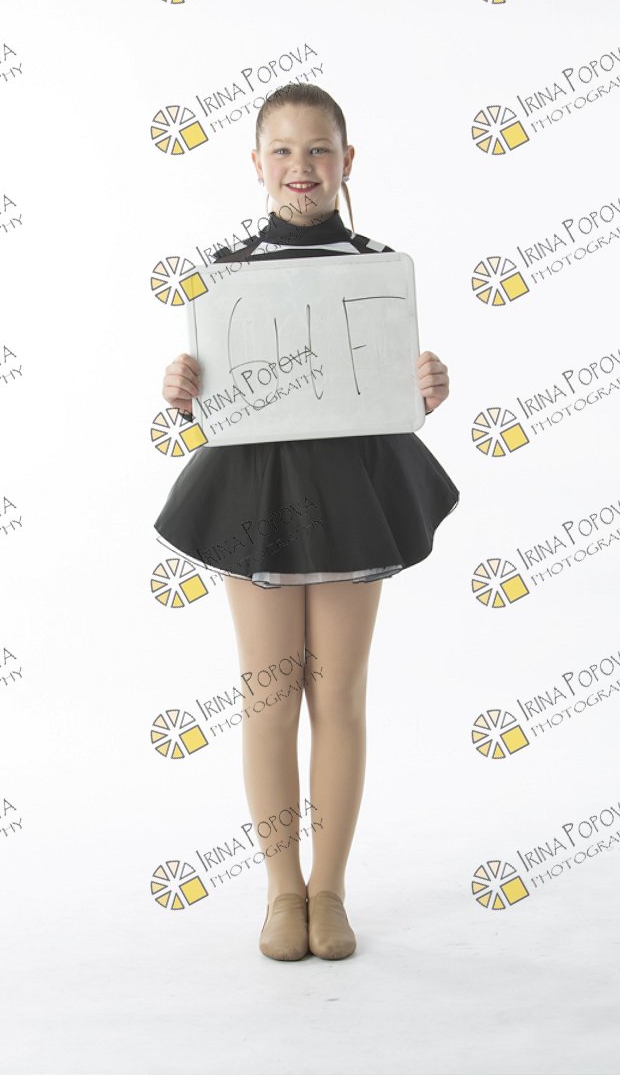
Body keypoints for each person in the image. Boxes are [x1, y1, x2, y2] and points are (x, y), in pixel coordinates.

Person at [154, 82, 460, 961]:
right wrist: (183, 388)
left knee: (339, 694)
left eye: (319, 149)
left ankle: (329, 890)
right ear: (257, 164)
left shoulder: (379, 268)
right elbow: (216, 394)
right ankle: (281, 891)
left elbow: (385, 386)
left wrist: (426, 386)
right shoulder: (225, 272)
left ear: (346, 160)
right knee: (269, 695)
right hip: (256, 493)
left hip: (353, 489)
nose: (301, 166)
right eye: (283, 151)